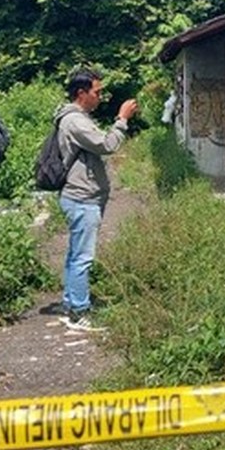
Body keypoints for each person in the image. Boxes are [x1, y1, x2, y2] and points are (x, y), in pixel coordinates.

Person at [54, 68, 137, 330]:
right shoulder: (75, 121)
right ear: (82, 93)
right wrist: (122, 119)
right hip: (82, 198)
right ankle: (79, 312)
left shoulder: (76, 118)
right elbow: (107, 145)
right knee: (82, 257)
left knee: (75, 254)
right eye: (97, 92)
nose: (100, 97)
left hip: (80, 196)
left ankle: (71, 304)